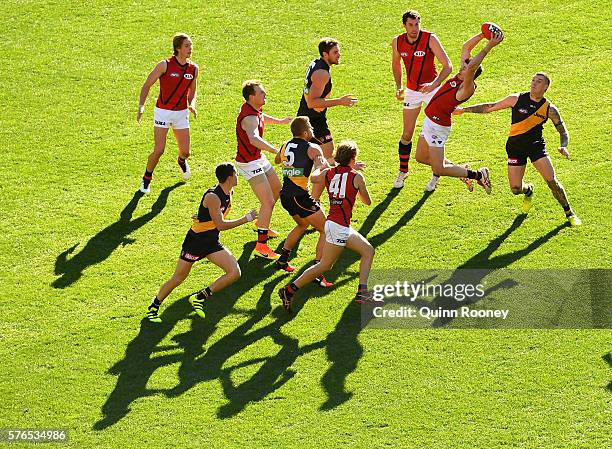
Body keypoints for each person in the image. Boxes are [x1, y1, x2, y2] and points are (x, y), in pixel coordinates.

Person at [454, 73, 582, 225]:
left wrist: (564, 145)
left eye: (539, 81)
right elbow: (490, 107)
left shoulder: (549, 108)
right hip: (515, 148)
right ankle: (528, 190)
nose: (534, 83)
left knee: (551, 181)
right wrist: (464, 110)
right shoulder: (516, 99)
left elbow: (562, 129)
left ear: (545, 87)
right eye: (533, 80)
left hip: (536, 147)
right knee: (515, 189)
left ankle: (569, 213)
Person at [145, 163, 258, 323]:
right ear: (229, 178)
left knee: (234, 272)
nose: (237, 176)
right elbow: (221, 225)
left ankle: (199, 297)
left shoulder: (229, 191)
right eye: (235, 174)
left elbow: (210, 216)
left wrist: (201, 217)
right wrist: (245, 219)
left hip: (211, 241)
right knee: (179, 277)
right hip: (196, 242)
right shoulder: (213, 196)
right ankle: (153, 308)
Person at [278, 141, 376, 313]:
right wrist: (358, 184)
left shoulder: (328, 173)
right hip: (340, 227)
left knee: (368, 250)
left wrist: (321, 166)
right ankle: (289, 290)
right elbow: (367, 202)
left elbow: (314, 178)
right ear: (353, 159)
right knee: (324, 266)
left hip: (334, 224)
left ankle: (362, 293)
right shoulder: (357, 177)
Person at [414, 29, 504, 193]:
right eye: (464, 64)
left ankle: (477, 174)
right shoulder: (459, 76)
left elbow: (471, 69)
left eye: (467, 66)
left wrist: (488, 46)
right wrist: (482, 35)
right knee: (420, 157)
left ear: (472, 73)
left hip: (438, 127)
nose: (462, 66)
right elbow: (465, 48)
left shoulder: (467, 87)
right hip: (429, 121)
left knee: (439, 169)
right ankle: (461, 171)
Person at [391, 10, 453, 188]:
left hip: (433, 91)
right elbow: (396, 64)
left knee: (434, 135)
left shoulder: (430, 39)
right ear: (404, 26)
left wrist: (434, 85)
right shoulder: (397, 41)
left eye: (417, 24)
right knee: (406, 134)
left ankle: (436, 173)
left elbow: (447, 65)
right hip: (412, 91)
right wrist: (399, 86)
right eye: (410, 25)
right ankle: (403, 171)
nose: (414, 28)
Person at [273, 116, 333, 287]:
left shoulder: (285, 145)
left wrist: (292, 169)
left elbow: (278, 160)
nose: (313, 130)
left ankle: (282, 260)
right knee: (325, 229)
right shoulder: (313, 148)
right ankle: (317, 271)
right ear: (305, 132)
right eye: (310, 128)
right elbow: (319, 171)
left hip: (285, 195)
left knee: (302, 225)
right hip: (299, 197)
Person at [236, 80, 292, 259]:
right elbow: (253, 138)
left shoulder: (254, 110)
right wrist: (277, 150)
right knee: (268, 201)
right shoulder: (249, 118)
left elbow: (262, 117)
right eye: (261, 92)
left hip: (258, 158)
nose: (265, 94)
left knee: (276, 189)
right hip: (249, 163)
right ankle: (261, 245)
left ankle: (261, 222)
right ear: (251, 97)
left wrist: (281, 121)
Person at [137, 33, 198, 194]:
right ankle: (146, 178)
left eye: (191, 45)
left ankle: (181, 160)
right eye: (187, 46)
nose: (190, 49)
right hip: (163, 112)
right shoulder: (164, 65)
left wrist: (192, 104)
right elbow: (147, 85)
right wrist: (141, 106)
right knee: (159, 149)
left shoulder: (193, 69)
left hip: (181, 113)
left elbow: (193, 91)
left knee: (186, 152)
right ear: (177, 48)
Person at [297, 38, 358, 200]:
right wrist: (340, 101)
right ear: (325, 54)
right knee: (327, 161)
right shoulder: (322, 73)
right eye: (335, 52)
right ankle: (312, 200)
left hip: (314, 119)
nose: (339, 55)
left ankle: (313, 200)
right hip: (312, 121)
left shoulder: (317, 64)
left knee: (325, 161)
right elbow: (312, 102)